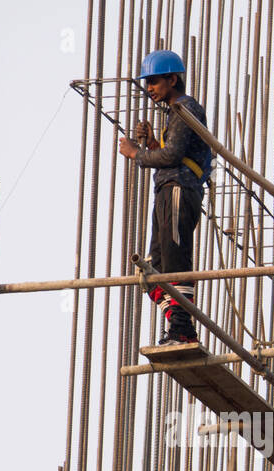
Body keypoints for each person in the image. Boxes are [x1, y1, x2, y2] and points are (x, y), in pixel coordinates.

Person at [118, 49, 212, 345]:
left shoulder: (185, 108)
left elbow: (173, 155)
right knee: (153, 266)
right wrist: (151, 142)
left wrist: (137, 153)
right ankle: (179, 323)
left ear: (172, 79)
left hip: (179, 189)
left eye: (154, 82)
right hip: (168, 188)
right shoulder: (174, 114)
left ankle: (182, 330)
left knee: (175, 259)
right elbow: (170, 152)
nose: (149, 90)